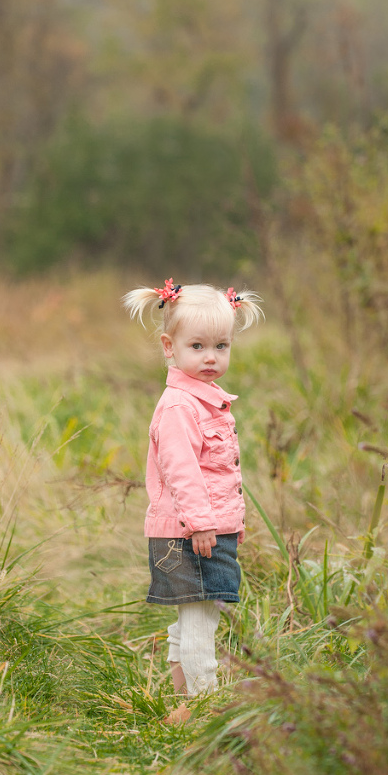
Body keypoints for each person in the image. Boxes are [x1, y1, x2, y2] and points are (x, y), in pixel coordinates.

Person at [123, 279, 263, 699]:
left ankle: (180, 698)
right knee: (201, 620)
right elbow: (182, 471)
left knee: (192, 618)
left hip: (205, 530)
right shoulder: (181, 407)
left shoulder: (207, 400)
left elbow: (219, 477)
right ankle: (204, 702)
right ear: (170, 346)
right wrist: (203, 525)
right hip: (191, 534)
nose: (211, 357)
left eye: (221, 346)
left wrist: (228, 526)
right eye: (197, 347)